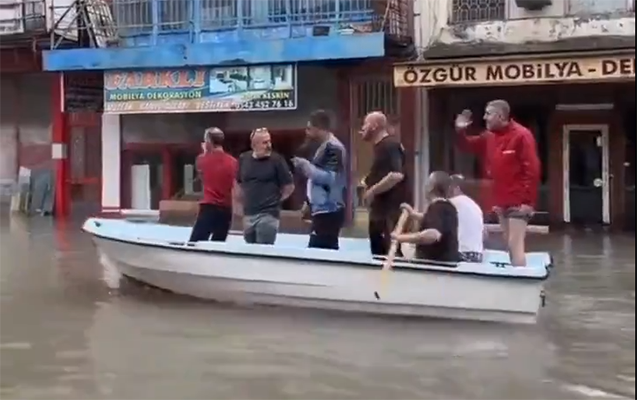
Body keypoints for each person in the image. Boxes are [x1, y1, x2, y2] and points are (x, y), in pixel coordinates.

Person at [455, 100, 541, 266]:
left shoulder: (522, 135)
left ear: (500, 116)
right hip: (501, 200)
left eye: (488, 114)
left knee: (515, 244)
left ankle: (521, 278)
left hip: (519, 201)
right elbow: (467, 146)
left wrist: (527, 202)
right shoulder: (489, 137)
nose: (484, 117)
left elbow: (532, 170)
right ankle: (515, 275)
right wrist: (460, 131)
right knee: (509, 244)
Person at [292, 110, 347, 250]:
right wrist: (309, 202)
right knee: (319, 249)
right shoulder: (323, 147)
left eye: (309, 128)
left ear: (319, 128)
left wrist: (305, 166)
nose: (307, 132)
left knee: (321, 250)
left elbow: (330, 178)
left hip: (329, 209)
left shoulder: (334, 148)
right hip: (321, 208)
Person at [360, 111, 409, 256]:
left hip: (387, 214)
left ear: (375, 125)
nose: (362, 128)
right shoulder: (380, 148)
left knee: (388, 253)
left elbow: (396, 175)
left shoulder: (390, 145)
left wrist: (372, 191)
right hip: (379, 213)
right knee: (378, 253)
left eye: (365, 124)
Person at [235, 128, 295, 245]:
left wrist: (276, 200)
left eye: (269, 141)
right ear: (254, 145)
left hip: (268, 213)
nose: (269, 145)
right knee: (249, 249)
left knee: (262, 247)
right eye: (264, 142)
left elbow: (289, 186)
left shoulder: (277, 160)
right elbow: (238, 182)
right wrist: (238, 202)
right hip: (249, 213)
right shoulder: (244, 159)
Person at [392, 172, 459, 262]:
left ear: (430, 187)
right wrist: (413, 214)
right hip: (448, 264)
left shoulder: (437, 208)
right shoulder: (449, 207)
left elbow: (433, 234)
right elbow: (432, 220)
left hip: (436, 266)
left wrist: (400, 238)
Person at [189, 127, 238, 242]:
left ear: (209, 142)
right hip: (226, 209)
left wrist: (205, 152)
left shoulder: (202, 159)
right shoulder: (233, 162)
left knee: (196, 243)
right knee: (218, 244)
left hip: (209, 207)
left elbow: (201, 177)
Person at [449, 174, 485, 263]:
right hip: (477, 255)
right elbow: (484, 233)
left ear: (456, 188)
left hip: (461, 253)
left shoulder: (452, 202)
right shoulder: (475, 206)